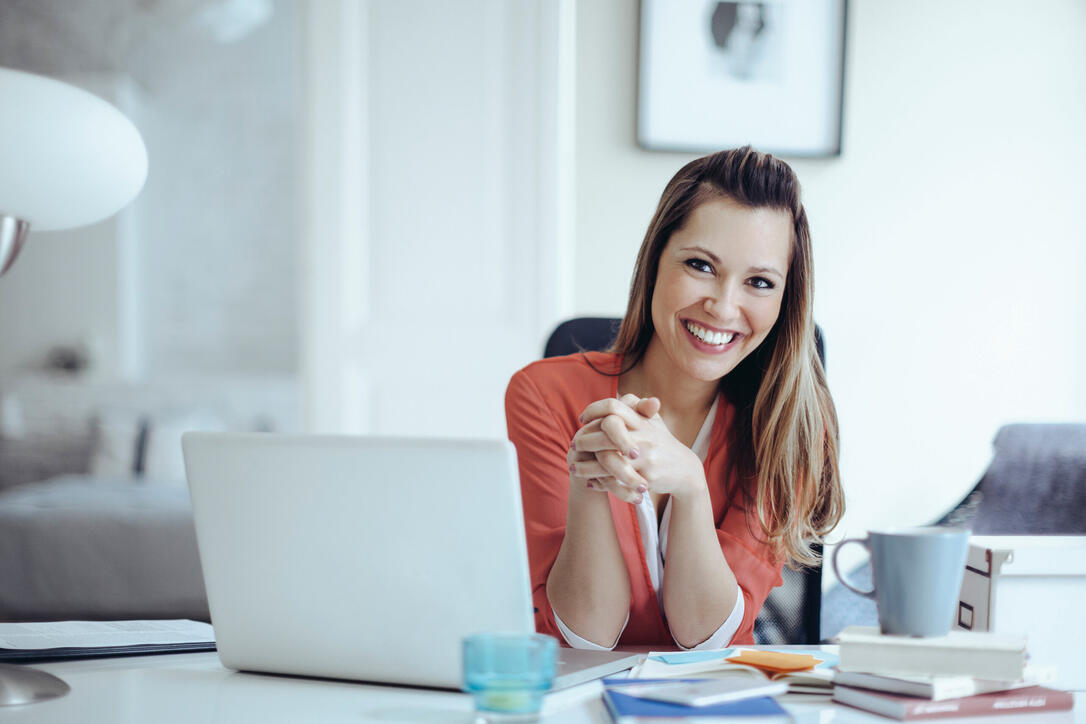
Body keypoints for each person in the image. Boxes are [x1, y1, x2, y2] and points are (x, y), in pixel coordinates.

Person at [505, 146, 843, 650]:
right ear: (656, 262)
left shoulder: (791, 426)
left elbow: (706, 638)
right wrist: (588, 476)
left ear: (784, 301)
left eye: (758, 282)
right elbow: (585, 636)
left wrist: (690, 484)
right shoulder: (544, 394)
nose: (724, 306)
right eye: (701, 265)